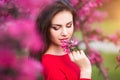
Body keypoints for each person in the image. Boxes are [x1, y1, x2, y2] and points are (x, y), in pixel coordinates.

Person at [36, 0, 92, 80]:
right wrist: (85, 70)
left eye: (69, 25)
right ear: (45, 28)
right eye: (56, 28)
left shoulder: (70, 52)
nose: (65, 33)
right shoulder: (51, 65)